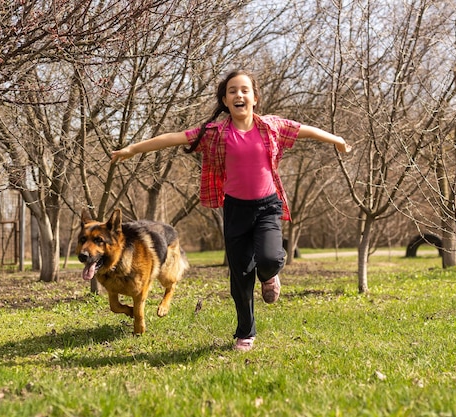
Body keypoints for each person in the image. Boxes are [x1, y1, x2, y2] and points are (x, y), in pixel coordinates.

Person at [111, 70, 351, 351]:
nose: (239, 95)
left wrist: (336, 139)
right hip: (236, 209)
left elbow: (304, 129)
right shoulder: (215, 134)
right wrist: (132, 149)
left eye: (245, 90)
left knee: (270, 258)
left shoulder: (271, 127)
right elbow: (173, 138)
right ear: (225, 101)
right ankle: (245, 333)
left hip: (267, 206)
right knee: (241, 277)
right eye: (233, 91)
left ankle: (270, 274)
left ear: (255, 98)